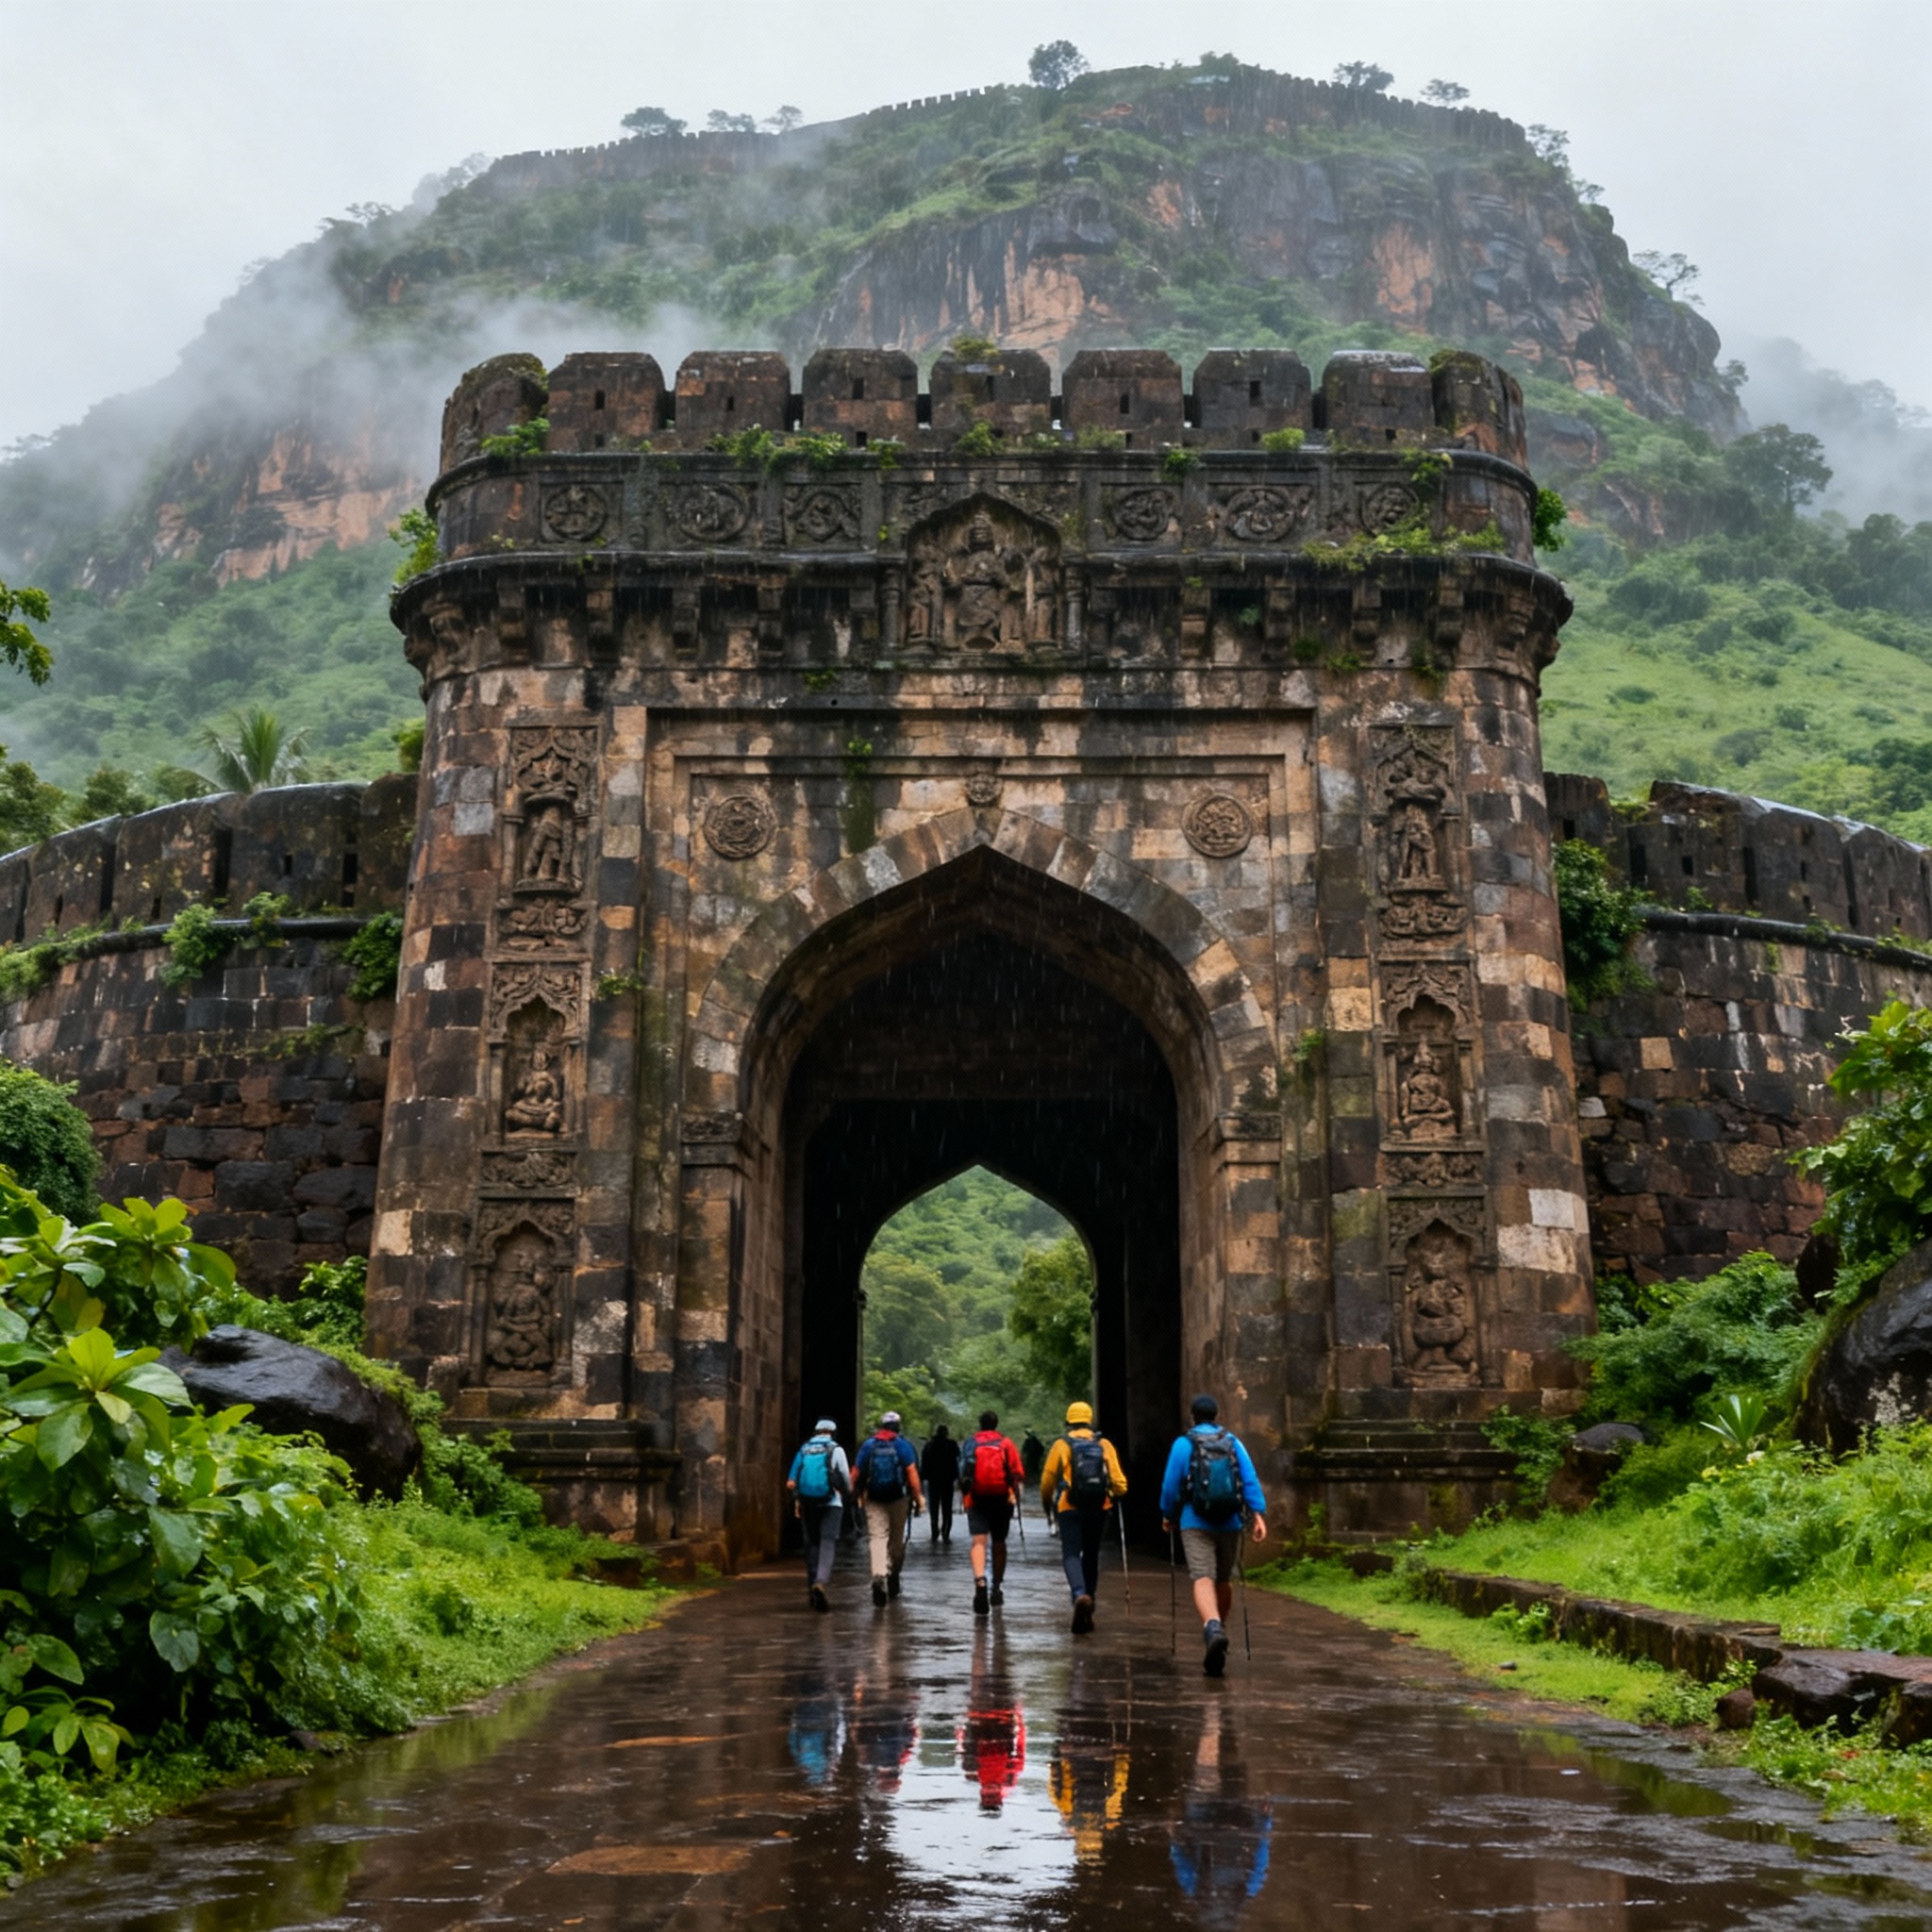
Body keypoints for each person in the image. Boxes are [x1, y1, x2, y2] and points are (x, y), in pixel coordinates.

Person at [1159, 1393, 1268, 1675]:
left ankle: (1212, 1627)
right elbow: (1249, 1478)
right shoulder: (1233, 1442)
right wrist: (1257, 1514)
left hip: (1195, 1520)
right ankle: (1219, 1627)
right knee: (1223, 1578)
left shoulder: (1184, 1445)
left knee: (1202, 1576)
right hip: (1230, 1521)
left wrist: (1168, 1514)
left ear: (1192, 1416)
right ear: (1217, 1415)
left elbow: (1171, 1486)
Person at [1039, 1400, 1127, 1634]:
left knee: (1070, 1553)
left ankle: (1079, 1594)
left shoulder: (1061, 1445)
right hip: (1098, 1507)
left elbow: (1047, 1482)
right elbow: (1120, 1483)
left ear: (1069, 1421)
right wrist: (1111, 1494)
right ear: (1089, 1420)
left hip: (1069, 1507)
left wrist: (1048, 1506)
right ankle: (1091, 1599)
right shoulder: (1104, 1445)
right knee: (1091, 1554)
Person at [852, 1409, 923, 1607]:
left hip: (873, 1498)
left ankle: (878, 1574)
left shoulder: (869, 1445)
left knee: (877, 1537)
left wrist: (853, 1493)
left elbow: (856, 1472)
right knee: (896, 1540)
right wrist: (918, 1497)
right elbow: (911, 1472)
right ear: (898, 1426)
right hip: (898, 1498)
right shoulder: (902, 1445)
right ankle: (892, 1574)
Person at [959, 1408, 1024, 1617]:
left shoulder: (970, 1443)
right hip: (1002, 1499)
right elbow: (1017, 1473)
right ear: (996, 1424)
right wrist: (1016, 1494)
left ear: (980, 1424)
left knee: (978, 1542)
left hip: (976, 1498)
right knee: (999, 1542)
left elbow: (961, 1472)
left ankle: (980, 1581)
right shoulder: (1006, 1444)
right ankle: (996, 1587)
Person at [786, 1418, 852, 1613]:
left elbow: (791, 1482)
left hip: (808, 1503)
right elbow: (846, 1477)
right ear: (832, 1432)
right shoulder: (836, 1449)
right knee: (828, 1541)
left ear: (816, 1432)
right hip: (832, 1503)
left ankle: (812, 1586)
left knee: (812, 1543)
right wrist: (848, 1494)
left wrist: (797, 1499)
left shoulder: (804, 1449)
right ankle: (821, 1582)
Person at [921, 1423, 960, 1544]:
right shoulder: (952, 1445)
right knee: (947, 1508)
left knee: (934, 1507)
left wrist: (923, 1476)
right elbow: (958, 1457)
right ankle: (945, 1532)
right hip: (947, 1480)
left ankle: (934, 1531)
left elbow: (924, 1462)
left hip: (933, 1481)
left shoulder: (929, 1445)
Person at [1021, 1427, 1047, 1499]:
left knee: (1033, 1466)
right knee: (1035, 1466)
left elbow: (1024, 1452)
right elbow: (1042, 1448)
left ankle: (1033, 1478)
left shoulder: (1029, 1441)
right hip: (1036, 1454)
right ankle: (1035, 1477)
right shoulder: (1034, 1440)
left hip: (1034, 1455)